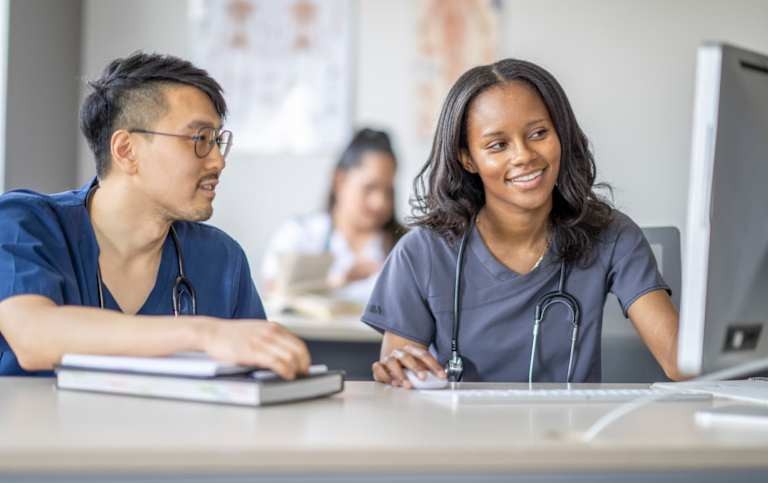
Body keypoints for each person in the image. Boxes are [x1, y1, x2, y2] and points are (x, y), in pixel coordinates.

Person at [362, 58, 683, 386]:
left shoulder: (612, 236)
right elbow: (401, 381)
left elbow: (679, 362)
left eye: (539, 133)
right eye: (497, 145)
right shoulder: (422, 252)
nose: (524, 155)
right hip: (459, 435)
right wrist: (397, 369)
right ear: (467, 158)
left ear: (561, 133)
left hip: (571, 434)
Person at [0, 52, 310, 378]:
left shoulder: (221, 258)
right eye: (200, 139)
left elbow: (255, 377)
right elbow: (34, 337)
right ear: (126, 150)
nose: (218, 161)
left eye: (218, 141)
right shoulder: (23, 224)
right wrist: (205, 334)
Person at [261, 128, 404, 304]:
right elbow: (274, 294)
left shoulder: (404, 247)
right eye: (370, 188)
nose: (380, 202)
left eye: (388, 190)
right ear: (339, 181)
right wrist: (339, 281)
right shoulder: (299, 234)